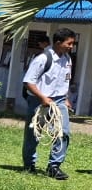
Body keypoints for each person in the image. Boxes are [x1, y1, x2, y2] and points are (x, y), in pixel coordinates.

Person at [21, 27, 76, 180]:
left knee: (63, 132)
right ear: (58, 42)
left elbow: (64, 80)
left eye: (73, 44)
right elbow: (28, 82)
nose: (71, 47)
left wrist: (65, 98)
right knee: (34, 134)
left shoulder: (67, 59)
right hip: (39, 100)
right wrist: (42, 98)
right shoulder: (43, 58)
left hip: (59, 100)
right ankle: (29, 164)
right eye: (69, 43)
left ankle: (54, 167)